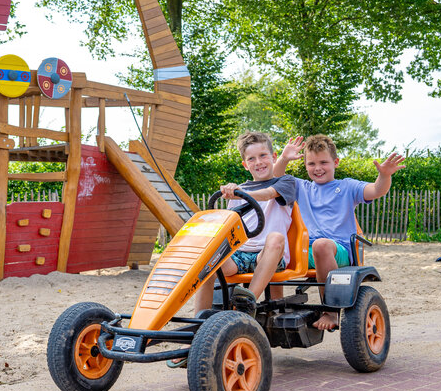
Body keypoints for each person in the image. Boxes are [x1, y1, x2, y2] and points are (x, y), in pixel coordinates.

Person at [171, 132, 296, 368]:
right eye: (252, 158)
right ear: (245, 164)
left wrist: (242, 193)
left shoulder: (285, 183)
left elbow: (268, 194)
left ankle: (249, 302)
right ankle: (199, 330)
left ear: (273, 156)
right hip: (240, 255)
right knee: (209, 255)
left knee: (276, 237)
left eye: (263, 156)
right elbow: (232, 230)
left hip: (268, 255)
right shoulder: (237, 193)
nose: (258, 162)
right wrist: (236, 194)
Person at [274, 134, 405, 331]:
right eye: (311, 164)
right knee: (271, 247)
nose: (317, 168)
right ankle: (274, 308)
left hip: (339, 250)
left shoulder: (347, 186)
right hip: (304, 252)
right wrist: (283, 159)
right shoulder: (302, 187)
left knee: (322, 245)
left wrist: (384, 175)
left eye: (324, 162)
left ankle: (331, 311)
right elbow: (275, 179)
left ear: (335, 162)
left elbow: (376, 190)